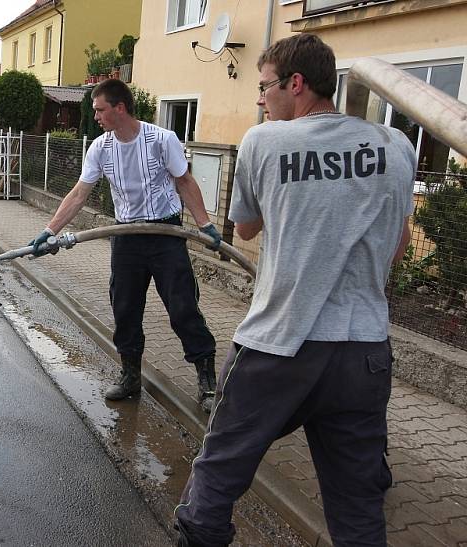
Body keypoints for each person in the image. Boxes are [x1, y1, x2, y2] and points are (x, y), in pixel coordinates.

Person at [174, 34, 415, 546]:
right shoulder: (398, 147)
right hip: (365, 352)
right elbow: (397, 249)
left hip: (278, 345)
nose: (260, 99)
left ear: (296, 84)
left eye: (264, 87)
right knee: (358, 506)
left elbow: (244, 228)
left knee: (218, 474)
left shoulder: (265, 141)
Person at [28, 79, 222, 412]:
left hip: (165, 235)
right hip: (127, 237)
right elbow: (79, 193)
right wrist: (50, 230)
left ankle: (207, 380)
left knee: (182, 307)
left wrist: (204, 224)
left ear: (120, 108)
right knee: (125, 308)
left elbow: (185, 181)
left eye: (100, 109)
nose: (96, 116)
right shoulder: (100, 147)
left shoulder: (162, 140)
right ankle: (131, 376)